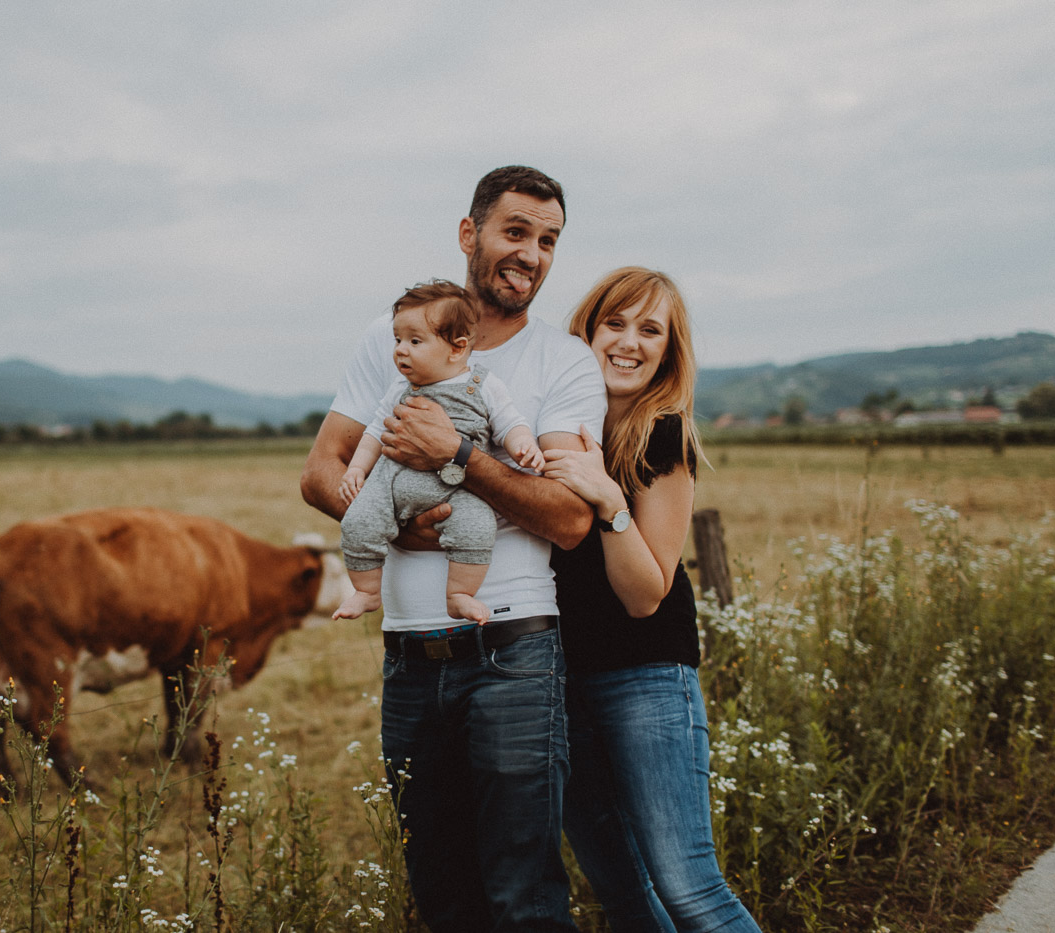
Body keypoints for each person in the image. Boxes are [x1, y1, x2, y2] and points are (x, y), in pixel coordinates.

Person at [301, 165, 603, 933]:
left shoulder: (562, 362)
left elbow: (569, 519)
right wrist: (398, 525)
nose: (532, 254)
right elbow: (322, 470)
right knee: (441, 894)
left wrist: (462, 457)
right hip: (407, 656)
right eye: (515, 231)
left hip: (513, 655)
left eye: (549, 240)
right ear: (469, 234)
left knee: (523, 899)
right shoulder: (393, 335)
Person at [543, 267, 762, 932]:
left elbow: (644, 596)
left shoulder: (663, 434)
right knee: (623, 894)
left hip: (645, 678)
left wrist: (610, 502)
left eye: (651, 329)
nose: (629, 341)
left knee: (688, 888)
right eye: (616, 322)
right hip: (557, 681)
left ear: (669, 350)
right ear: (587, 328)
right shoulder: (548, 426)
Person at [332, 279, 545, 624]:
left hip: (457, 488)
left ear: (457, 348)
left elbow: (510, 422)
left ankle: (459, 594)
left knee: (477, 527)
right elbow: (374, 429)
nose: (401, 350)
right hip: (390, 482)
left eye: (415, 341)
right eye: (398, 339)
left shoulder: (483, 384)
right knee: (359, 521)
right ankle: (367, 592)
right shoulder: (400, 387)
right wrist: (357, 469)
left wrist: (524, 446)